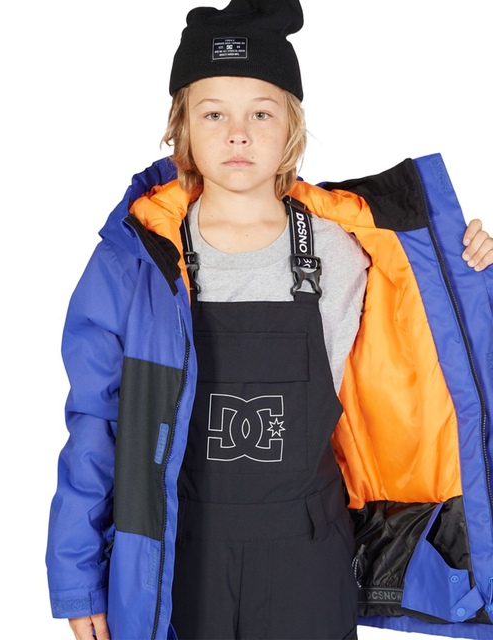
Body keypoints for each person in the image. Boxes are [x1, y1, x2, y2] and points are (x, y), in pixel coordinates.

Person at [46, 1, 493, 639]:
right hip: (177, 558)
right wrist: (78, 577)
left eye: (261, 112)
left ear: (292, 127)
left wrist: (474, 274)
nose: (238, 134)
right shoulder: (138, 263)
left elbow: (450, 361)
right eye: (214, 114)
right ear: (181, 129)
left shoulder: (350, 249)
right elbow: (95, 420)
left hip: (309, 560)